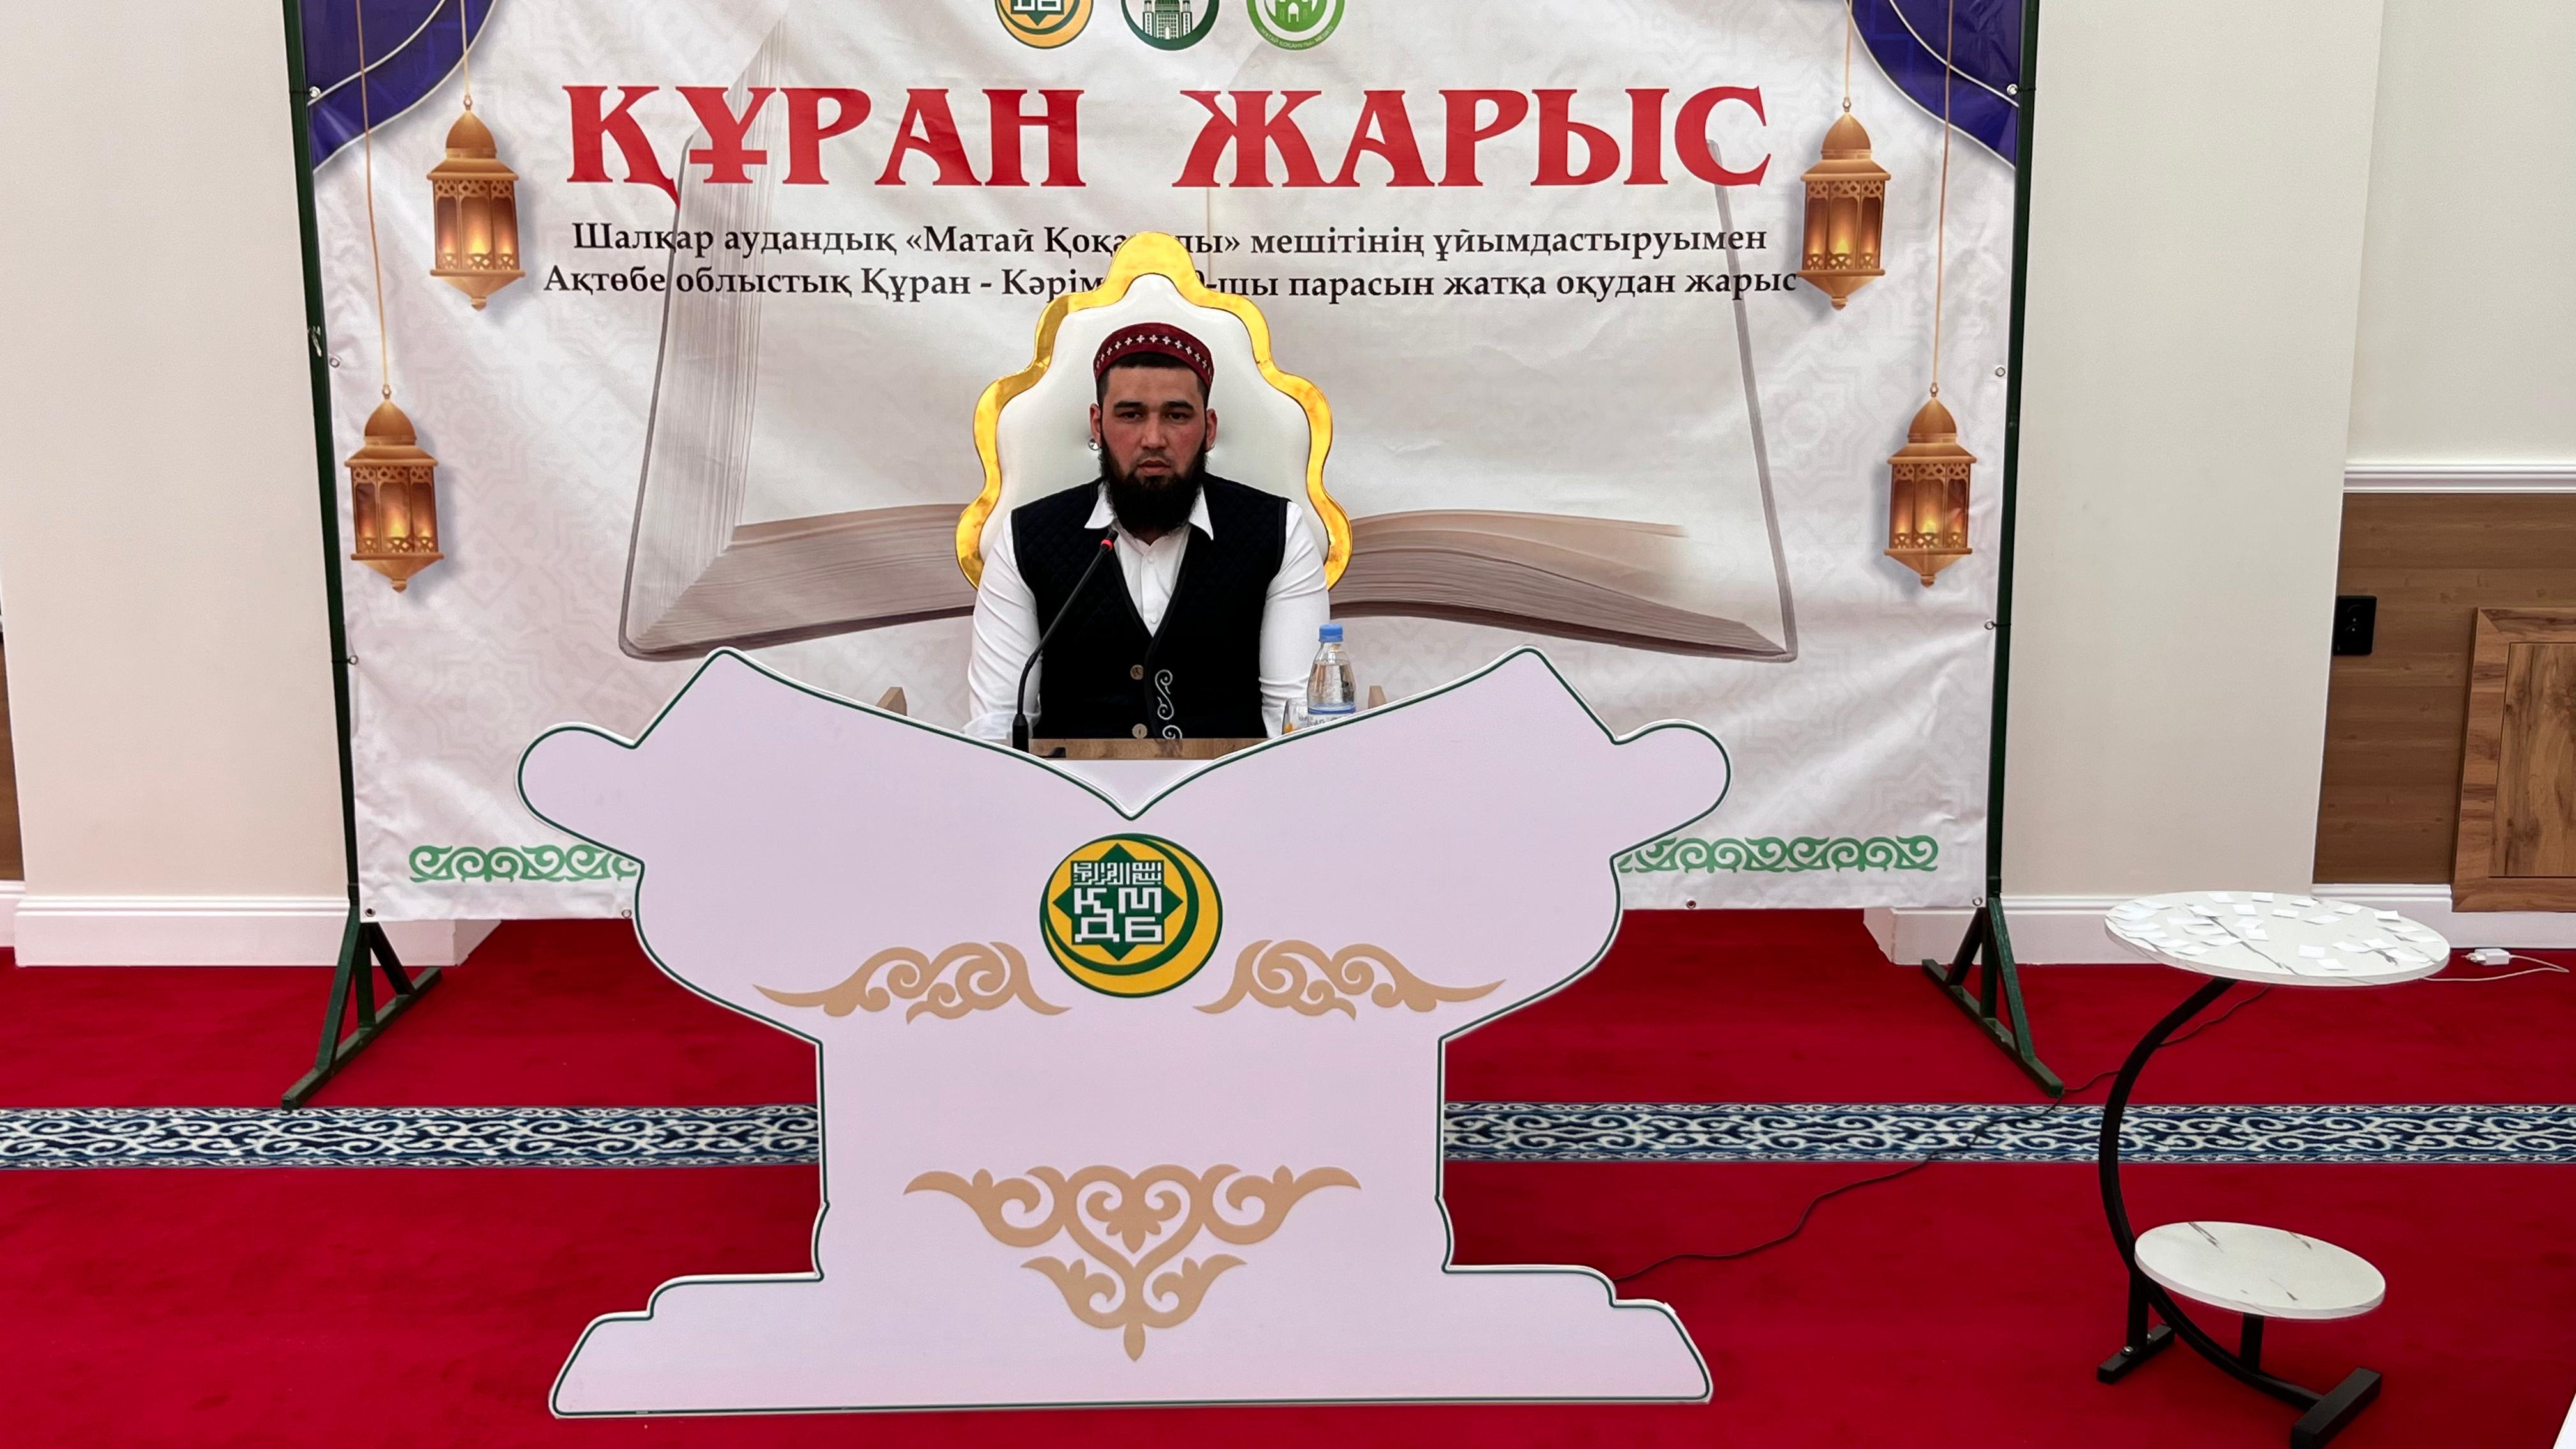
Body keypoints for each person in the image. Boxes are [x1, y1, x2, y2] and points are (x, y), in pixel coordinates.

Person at [966, 322, 1330, 744]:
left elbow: (1295, 725)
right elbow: (999, 727)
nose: (1153, 439)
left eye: (1176, 416)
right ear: (1097, 425)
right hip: (1072, 784)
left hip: (1232, 782)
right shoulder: (1026, 537)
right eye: (1131, 415)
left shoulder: (1278, 531)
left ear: (1209, 429)